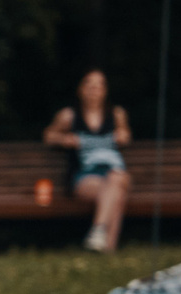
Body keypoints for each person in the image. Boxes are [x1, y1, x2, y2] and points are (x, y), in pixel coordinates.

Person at [44, 69, 132, 252]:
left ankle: (98, 231)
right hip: (86, 175)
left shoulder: (116, 115)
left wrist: (123, 136)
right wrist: (64, 139)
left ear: (105, 91)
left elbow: (126, 135)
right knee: (116, 192)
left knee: (116, 179)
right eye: (89, 84)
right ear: (81, 89)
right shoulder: (69, 116)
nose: (94, 89)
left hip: (115, 171)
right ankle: (108, 249)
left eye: (98, 85)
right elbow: (49, 136)